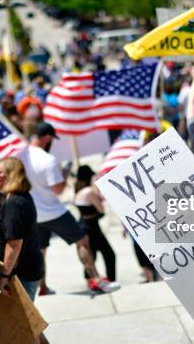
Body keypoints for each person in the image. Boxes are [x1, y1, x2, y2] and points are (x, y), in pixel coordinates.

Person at [18, 122, 119, 294]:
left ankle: (42, 287)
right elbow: (58, 190)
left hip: (34, 213)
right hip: (53, 211)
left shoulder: (20, 155)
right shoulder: (47, 160)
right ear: (48, 138)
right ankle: (96, 279)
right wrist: (64, 175)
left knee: (41, 251)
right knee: (83, 242)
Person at [0, 157, 44, 300]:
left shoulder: (14, 203)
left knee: (22, 321)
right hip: (25, 269)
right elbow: (7, 223)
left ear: (11, 175)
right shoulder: (17, 197)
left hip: (21, 273)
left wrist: (4, 276)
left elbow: (14, 243)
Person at [74, 165, 116, 282]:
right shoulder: (89, 191)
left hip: (83, 226)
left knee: (91, 256)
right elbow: (101, 210)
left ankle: (90, 281)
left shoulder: (77, 190)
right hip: (92, 227)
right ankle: (111, 280)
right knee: (109, 255)